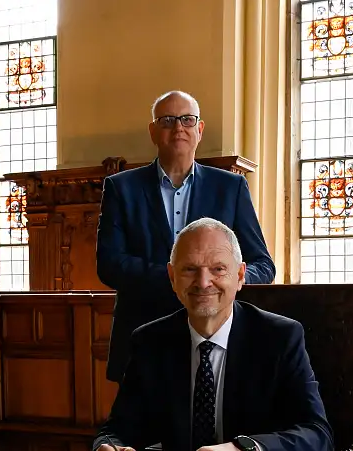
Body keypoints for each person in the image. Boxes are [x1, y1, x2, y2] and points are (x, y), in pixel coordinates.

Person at [91, 218, 334, 451]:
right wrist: (108, 449)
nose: (203, 282)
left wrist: (245, 450)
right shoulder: (149, 341)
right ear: (172, 277)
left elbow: (318, 435)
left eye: (218, 269)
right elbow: (119, 429)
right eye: (190, 270)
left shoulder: (279, 337)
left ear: (240, 276)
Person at [96, 90, 275, 383]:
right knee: (142, 428)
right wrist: (179, 278)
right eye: (167, 120)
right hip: (143, 335)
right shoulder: (121, 188)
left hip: (217, 338)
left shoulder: (231, 188)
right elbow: (109, 264)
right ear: (153, 131)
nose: (178, 127)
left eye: (187, 120)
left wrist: (220, 280)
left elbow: (263, 266)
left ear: (199, 130)